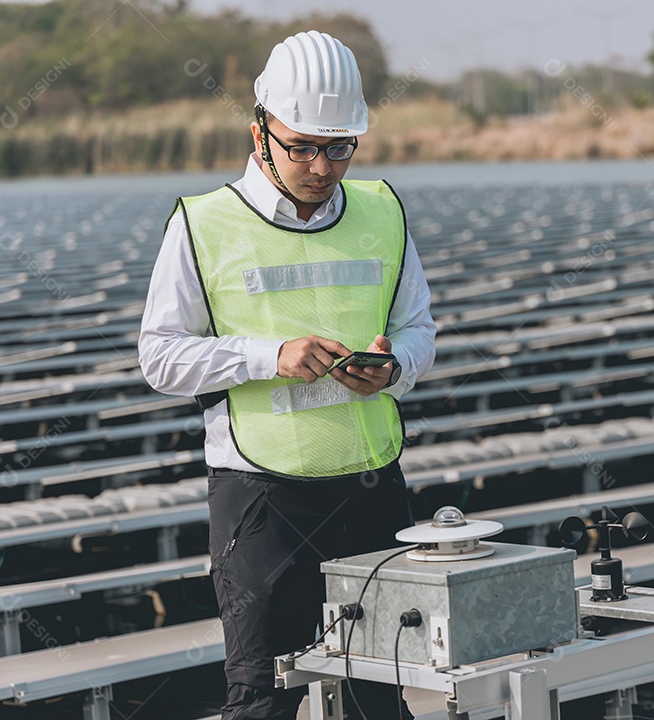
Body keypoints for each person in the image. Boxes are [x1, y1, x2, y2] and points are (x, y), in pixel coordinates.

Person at [138, 30, 435, 720]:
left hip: (370, 487)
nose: (322, 165)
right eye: (302, 146)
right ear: (260, 132)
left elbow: (420, 330)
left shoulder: (383, 212)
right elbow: (159, 356)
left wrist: (393, 371)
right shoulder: (202, 225)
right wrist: (268, 357)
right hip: (259, 497)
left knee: (379, 691)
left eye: (339, 147)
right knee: (263, 696)